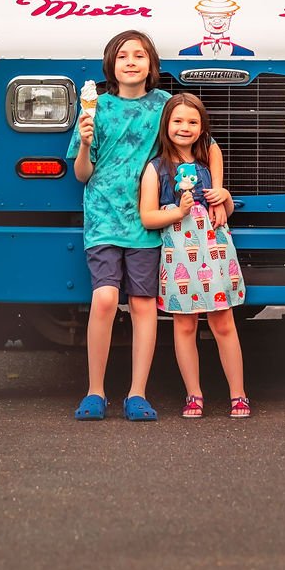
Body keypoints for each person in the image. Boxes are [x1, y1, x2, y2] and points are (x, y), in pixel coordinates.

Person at [68, 30, 170, 421]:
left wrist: (220, 190)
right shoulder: (97, 109)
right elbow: (82, 174)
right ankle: (95, 391)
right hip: (104, 217)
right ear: (111, 65)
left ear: (151, 65)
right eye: (122, 55)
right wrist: (82, 142)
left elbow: (198, 142)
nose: (131, 61)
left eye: (139, 55)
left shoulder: (163, 107)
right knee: (106, 299)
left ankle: (137, 394)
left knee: (144, 304)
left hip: (146, 218)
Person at [139, 93, 250, 418]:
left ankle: (238, 394)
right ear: (166, 126)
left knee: (224, 322)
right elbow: (148, 216)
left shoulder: (205, 168)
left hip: (214, 256)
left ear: (203, 129)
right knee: (184, 325)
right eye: (177, 121)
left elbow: (225, 213)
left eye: (192, 122)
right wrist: (178, 212)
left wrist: (224, 195)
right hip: (178, 260)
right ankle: (194, 395)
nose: (184, 127)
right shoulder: (155, 170)